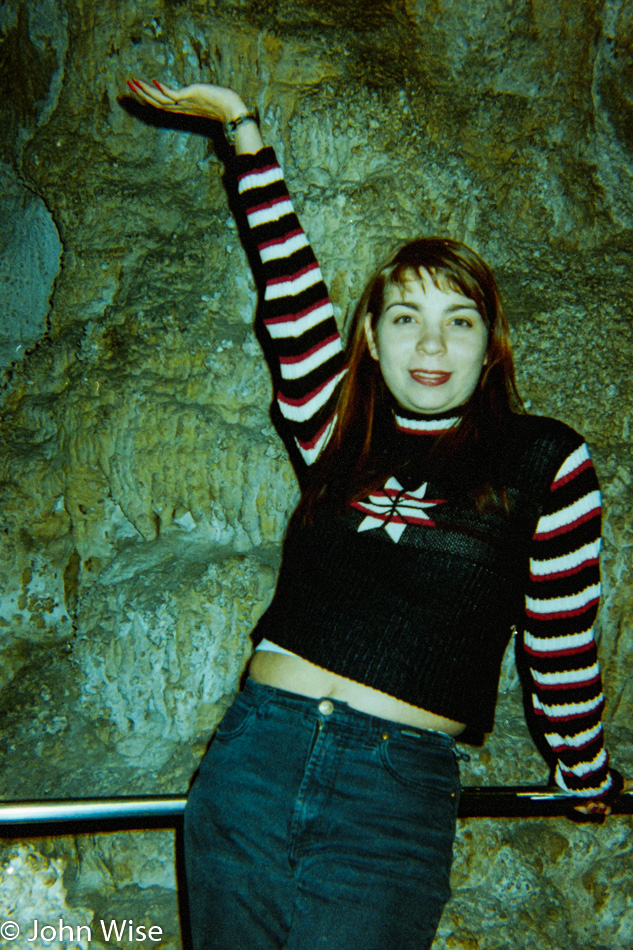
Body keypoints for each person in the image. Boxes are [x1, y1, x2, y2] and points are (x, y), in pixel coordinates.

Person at [127, 78, 624, 950]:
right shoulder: (334, 427)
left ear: (490, 343)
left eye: (457, 320)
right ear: (368, 336)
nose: (430, 345)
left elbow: (557, 645)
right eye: (405, 318)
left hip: (393, 800)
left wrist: (581, 770)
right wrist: (243, 133)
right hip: (253, 763)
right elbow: (289, 291)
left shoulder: (547, 460)